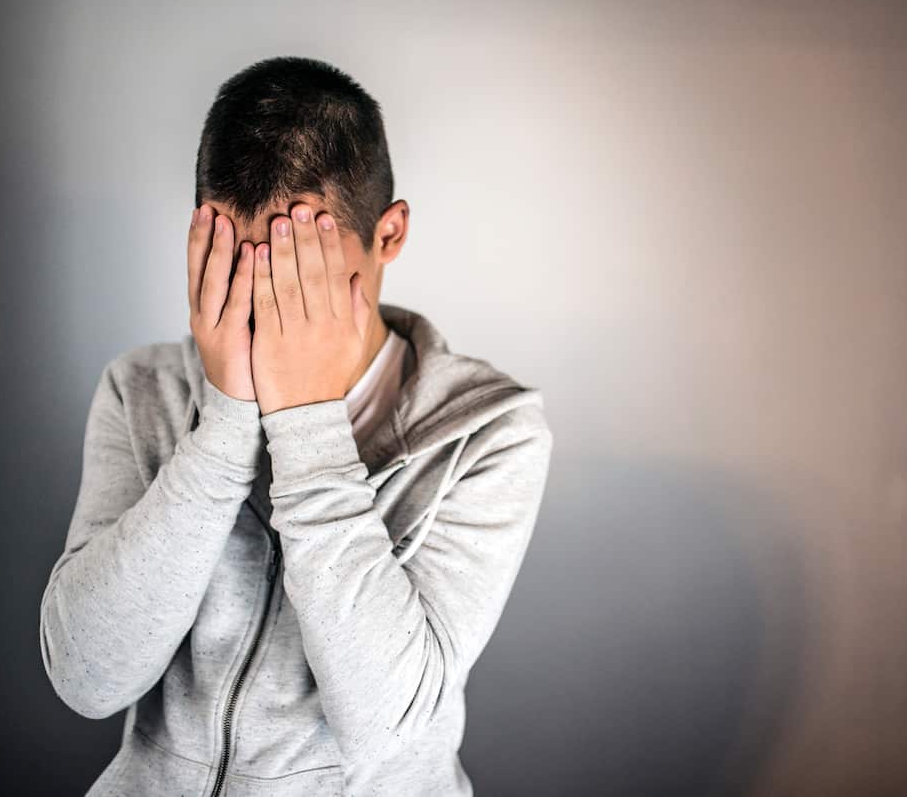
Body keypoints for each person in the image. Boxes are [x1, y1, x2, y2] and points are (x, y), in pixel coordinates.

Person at [38, 56, 554, 796]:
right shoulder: (143, 390)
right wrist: (221, 427)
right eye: (242, 270)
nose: (269, 307)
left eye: (304, 274)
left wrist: (308, 427)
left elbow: (393, 736)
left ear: (389, 235)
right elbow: (87, 678)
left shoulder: (489, 433)